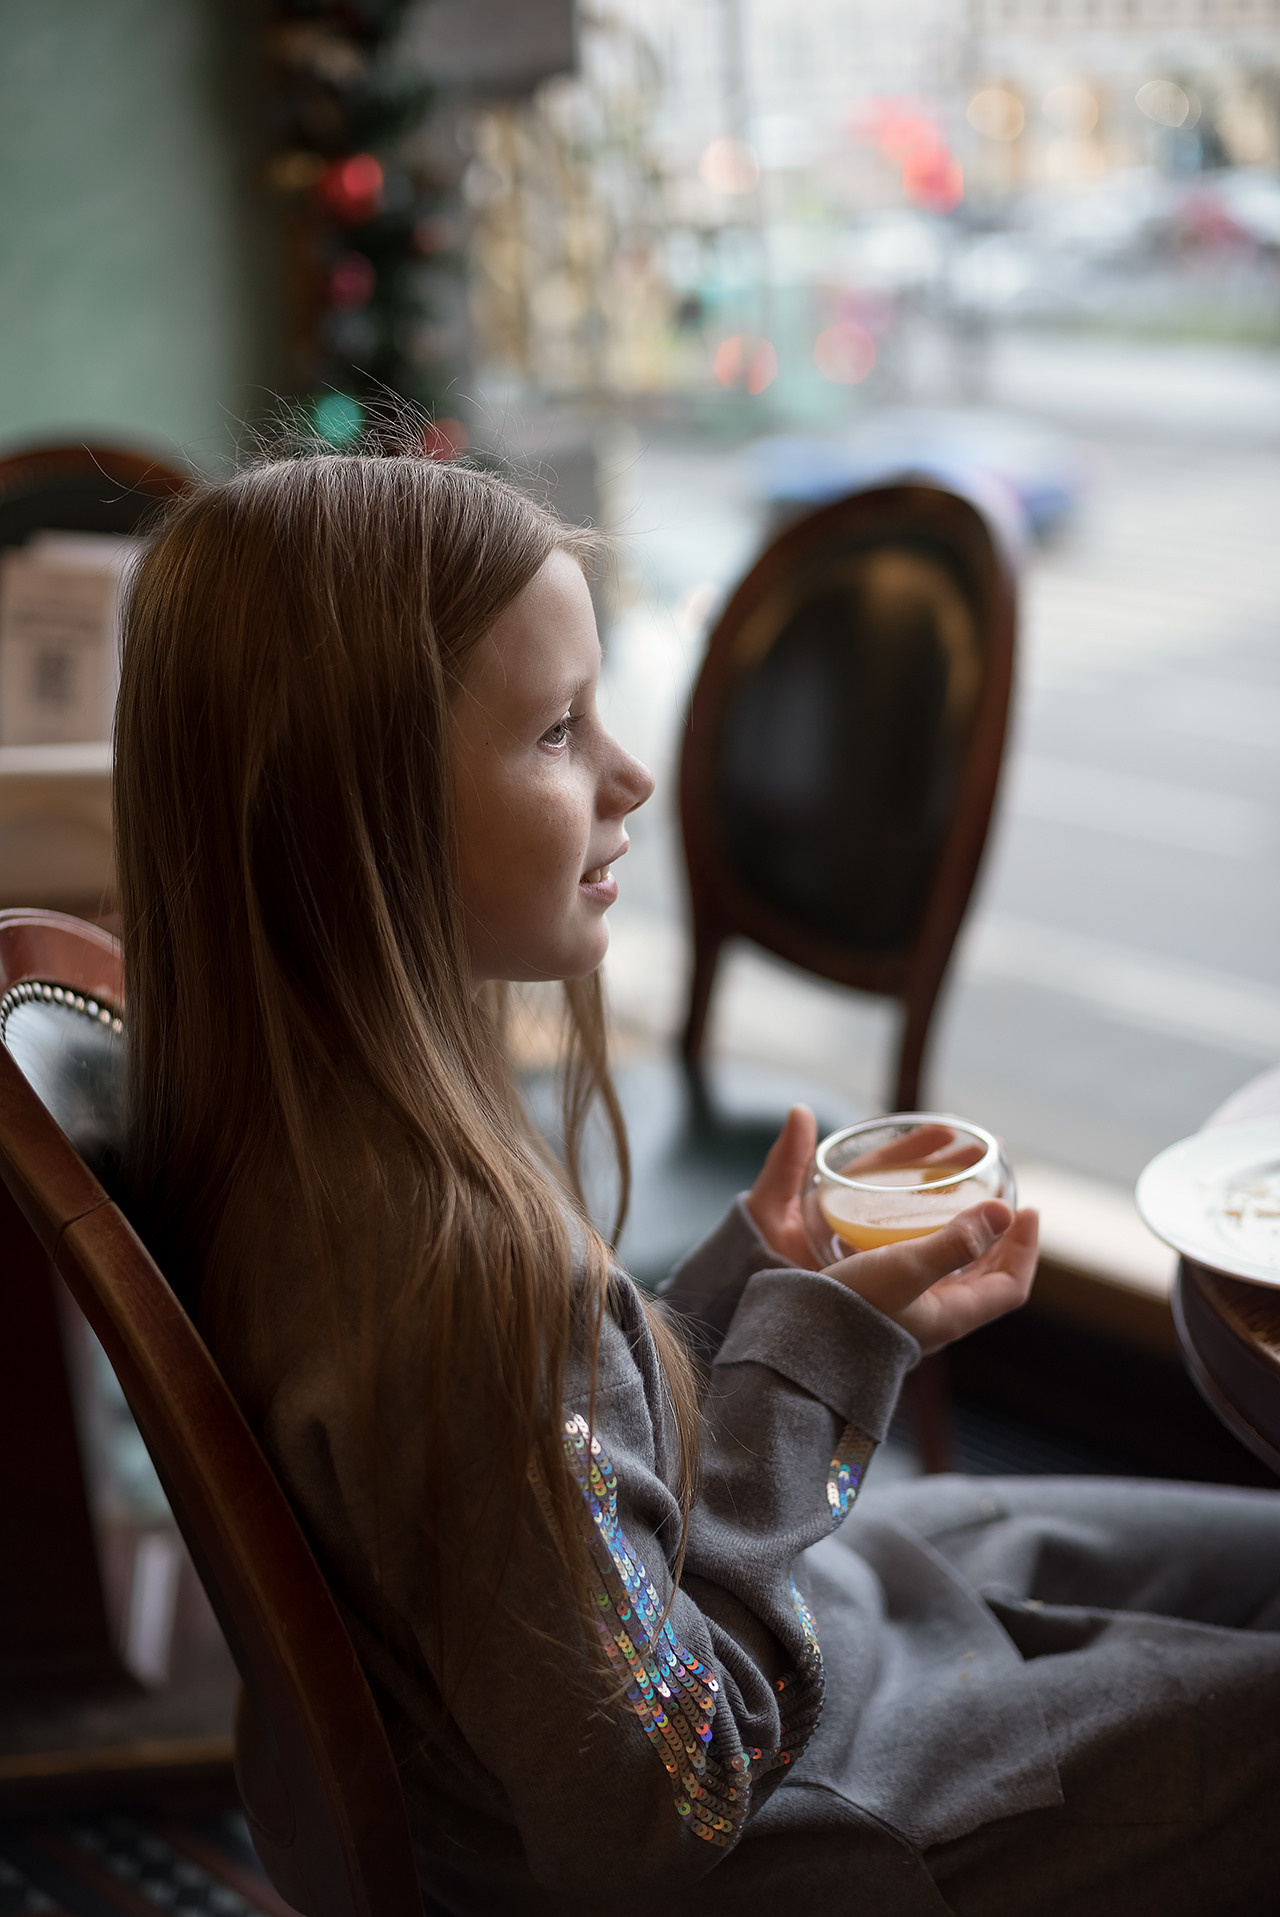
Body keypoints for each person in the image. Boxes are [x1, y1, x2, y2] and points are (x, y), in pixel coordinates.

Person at [113, 449, 1280, 1917]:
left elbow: (543, 1513)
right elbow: (663, 1803)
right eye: (555, 729)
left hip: (798, 1654)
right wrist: (814, 1364)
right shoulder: (454, 1284)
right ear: (342, 813)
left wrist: (740, 1300)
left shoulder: (291, 1147)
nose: (632, 773)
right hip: (817, 1807)